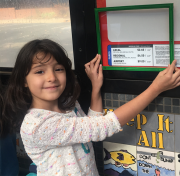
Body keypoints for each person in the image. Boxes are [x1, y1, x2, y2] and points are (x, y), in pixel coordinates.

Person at [2, 39, 180, 176]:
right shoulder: (39, 125)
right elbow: (104, 126)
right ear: (24, 80)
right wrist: (156, 88)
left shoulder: (68, 104)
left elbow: (91, 127)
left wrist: (95, 87)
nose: (51, 77)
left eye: (58, 69)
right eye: (40, 71)